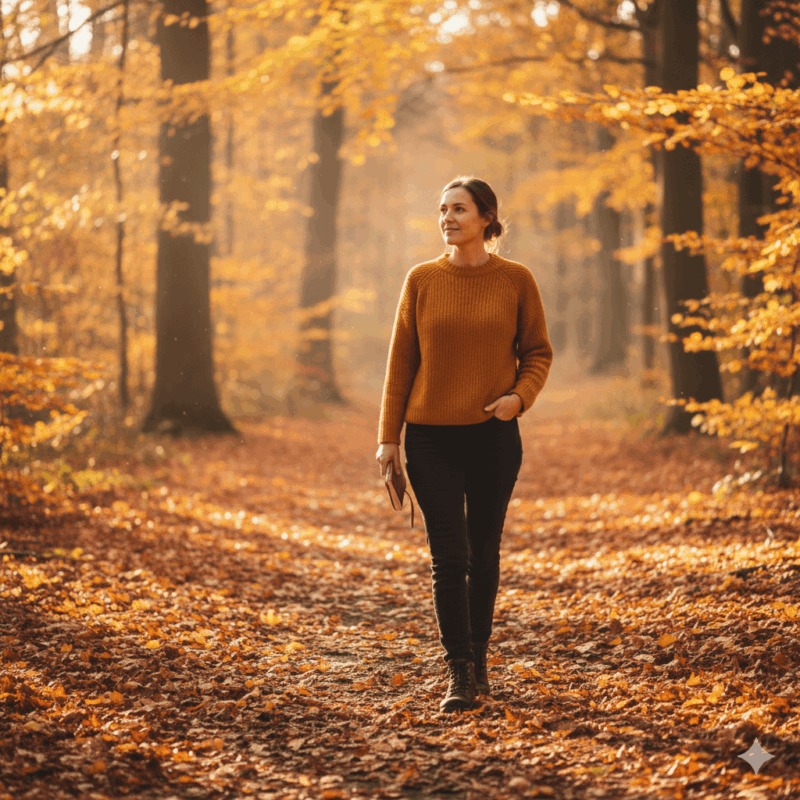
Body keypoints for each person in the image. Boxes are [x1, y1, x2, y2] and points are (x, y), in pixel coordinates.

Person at [375, 176, 553, 712]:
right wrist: (388, 439)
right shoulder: (421, 279)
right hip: (430, 439)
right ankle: (458, 673)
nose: (447, 217)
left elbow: (538, 353)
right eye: (442, 209)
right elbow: (400, 363)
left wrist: (518, 399)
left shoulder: (516, 280)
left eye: (459, 209)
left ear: (486, 218)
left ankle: (478, 658)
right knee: (448, 557)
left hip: (494, 437)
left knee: (484, 552)